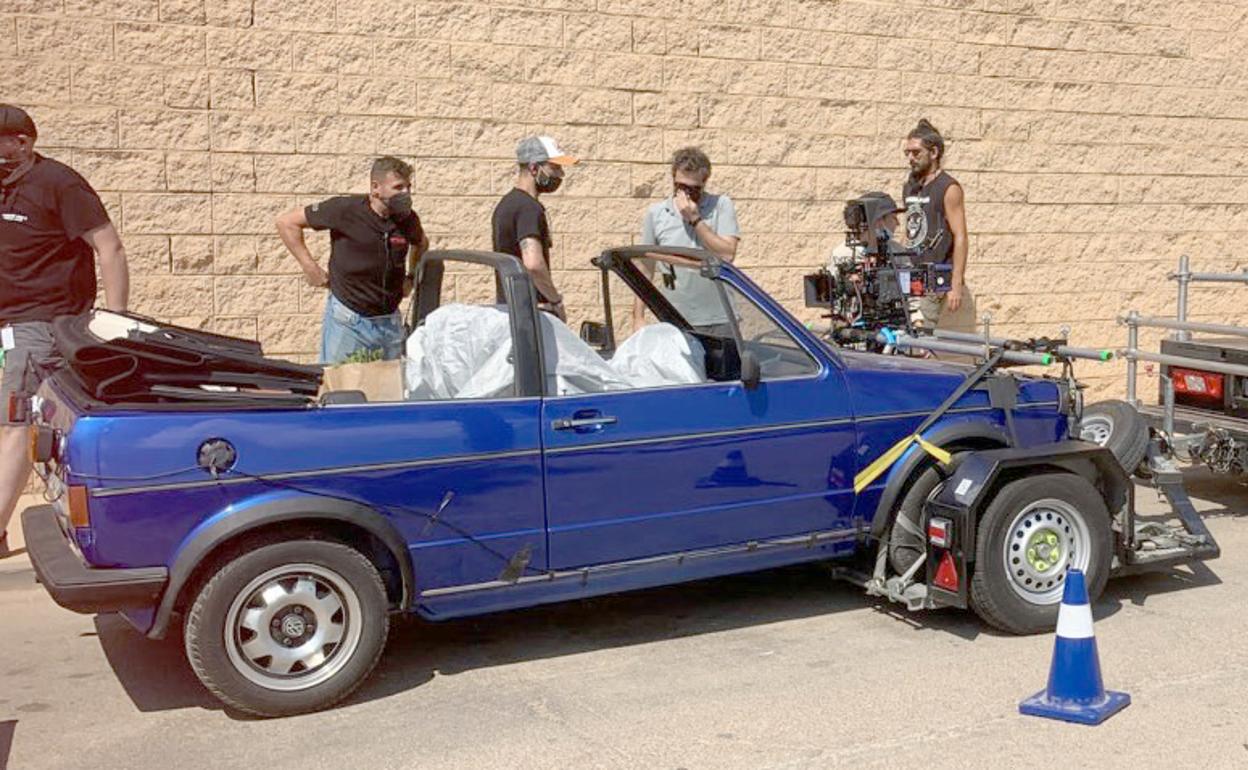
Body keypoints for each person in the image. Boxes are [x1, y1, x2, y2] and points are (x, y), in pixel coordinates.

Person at [0, 104, 129, 558]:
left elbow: (109, 247)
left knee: (15, 424)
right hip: (12, 327)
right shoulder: (4, 188)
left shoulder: (58, 184)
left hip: (44, 325)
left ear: (21, 143)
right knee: (35, 427)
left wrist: (116, 321)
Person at [276, 156, 427, 364]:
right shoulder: (345, 209)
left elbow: (421, 243)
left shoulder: (407, 219)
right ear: (376, 188)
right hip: (349, 321)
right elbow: (287, 223)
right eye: (398, 187)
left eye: (408, 187)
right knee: (341, 390)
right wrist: (309, 267)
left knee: (387, 392)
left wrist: (411, 277)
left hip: (388, 322)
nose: (406, 194)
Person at [634, 147, 740, 334]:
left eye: (693, 189)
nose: (686, 194)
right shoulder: (657, 213)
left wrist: (695, 219)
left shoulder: (721, 205)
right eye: (680, 187)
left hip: (720, 318)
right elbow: (645, 269)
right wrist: (638, 317)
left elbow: (727, 254)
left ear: (704, 181)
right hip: (676, 319)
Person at [491, 135, 577, 322]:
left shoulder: (506, 204)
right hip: (531, 313)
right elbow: (533, 264)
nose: (560, 174)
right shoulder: (529, 208)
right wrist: (556, 301)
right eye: (554, 168)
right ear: (533, 168)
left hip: (509, 310)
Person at [902, 119, 975, 332]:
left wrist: (956, 283)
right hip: (910, 275)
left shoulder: (948, 187)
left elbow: (960, 235)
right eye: (907, 153)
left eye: (916, 153)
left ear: (933, 153)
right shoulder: (910, 186)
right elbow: (910, 229)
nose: (910, 158)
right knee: (902, 335)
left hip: (934, 278)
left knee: (921, 337)